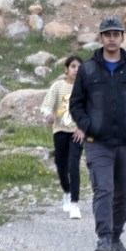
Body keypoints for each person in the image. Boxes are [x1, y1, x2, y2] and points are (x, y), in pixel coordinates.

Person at [69, 16, 126, 251]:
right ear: (101, 38)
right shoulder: (88, 69)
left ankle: (116, 237)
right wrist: (89, 126)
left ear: (122, 37)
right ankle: (104, 239)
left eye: (115, 34)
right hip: (98, 143)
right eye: (107, 34)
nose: (111, 39)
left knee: (122, 194)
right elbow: (76, 104)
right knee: (103, 189)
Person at [40, 55, 85, 220]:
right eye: (73, 66)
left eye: (79, 67)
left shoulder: (85, 88)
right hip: (59, 130)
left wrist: (82, 128)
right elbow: (46, 106)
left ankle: (74, 204)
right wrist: (48, 115)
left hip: (77, 132)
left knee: (73, 165)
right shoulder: (57, 86)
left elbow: (90, 110)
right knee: (61, 164)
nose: (76, 70)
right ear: (66, 69)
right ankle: (66, 192)